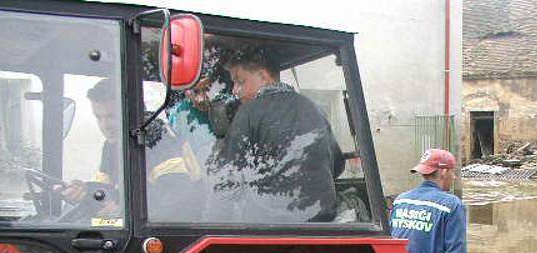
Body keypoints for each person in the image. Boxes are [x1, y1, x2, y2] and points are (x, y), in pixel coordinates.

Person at [210, 45, 345, 223]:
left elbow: (230, 175)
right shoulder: (313, 108)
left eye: (240, 81)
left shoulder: (248, 113)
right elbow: (337, 165)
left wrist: (211, 217)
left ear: (263, 77)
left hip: (272, 223)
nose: (235, 90)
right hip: (322, 220)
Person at [63, 79, 204, 222]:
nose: (105, 125)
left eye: (111, 117)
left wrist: (123, 212)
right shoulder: (112, 143)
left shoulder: (158, 138)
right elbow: (107, 188)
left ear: (132, 112)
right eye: (99, 117)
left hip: (176, 227)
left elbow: (178, 198)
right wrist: (85, 190)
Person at [390, 148, 512, 253]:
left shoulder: (400, 200)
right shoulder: (451, 205)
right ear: (444, 171)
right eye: (453, 172)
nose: (454, 177)